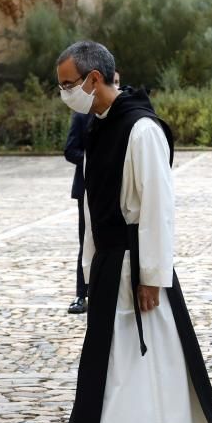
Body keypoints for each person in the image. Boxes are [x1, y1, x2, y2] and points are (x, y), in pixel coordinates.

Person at [43, 41, 212, 423]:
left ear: (95, 80)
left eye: (69, 84)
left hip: (138, 267)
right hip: (111, 266)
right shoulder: (98, 128)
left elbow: (159, 209)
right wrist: (90, 270)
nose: (66, 92)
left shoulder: (141, 130)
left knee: (161, 363)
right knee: (111, 372)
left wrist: (152, 276)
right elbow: (93, 206)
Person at [64, 71, 119, 315]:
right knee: (86, 240)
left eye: (118, 81)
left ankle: (111, 290)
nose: (116, 85)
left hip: (115, 190)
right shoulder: (80, 114)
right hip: (86, 189)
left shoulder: (122, 117)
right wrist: (91, 160)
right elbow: (70, 150)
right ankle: (81, 293)